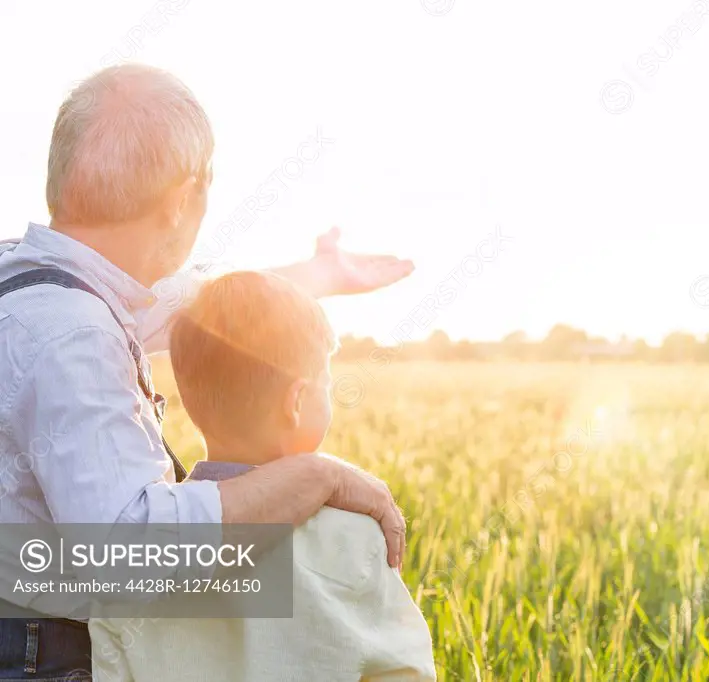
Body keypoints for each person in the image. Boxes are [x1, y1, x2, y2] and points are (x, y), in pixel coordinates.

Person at [0, 64, 413, 679]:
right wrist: (312, 477)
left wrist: (314, 278)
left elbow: (193, 314)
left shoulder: (33, 284)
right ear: (181, 201)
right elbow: (125, 553)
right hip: (48, 658)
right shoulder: (76, 334)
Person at [90, 271, 436, 681]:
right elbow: (403, 671)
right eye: (325, 381)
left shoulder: (145, 549)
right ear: (296, 402)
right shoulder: (354, 535)